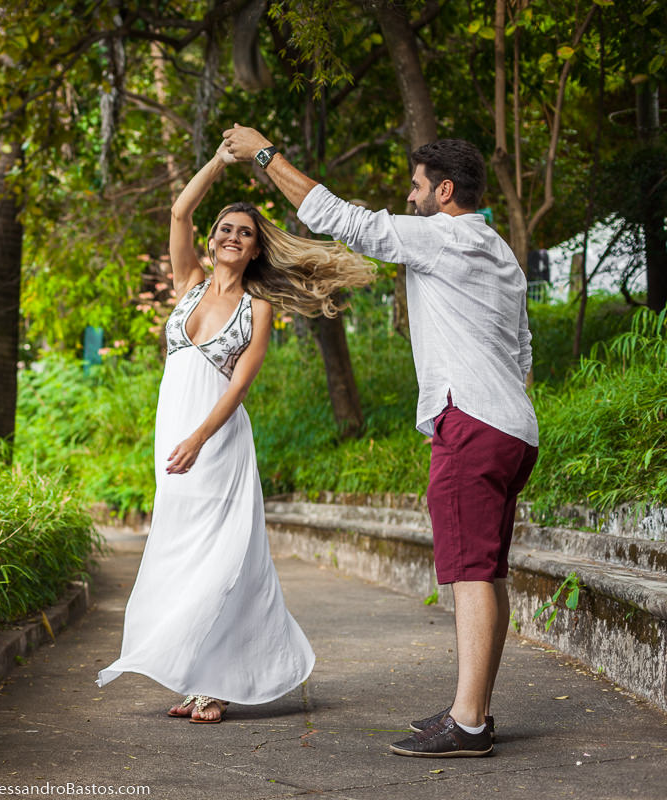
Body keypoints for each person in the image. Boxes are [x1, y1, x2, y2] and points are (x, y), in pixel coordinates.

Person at [222, 125, 538, 756]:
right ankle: (470, 708)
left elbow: (343, 219)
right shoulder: (498, 252)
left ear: (445, 191)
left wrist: (264, 155)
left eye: (417, 186)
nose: (410, 195)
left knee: (470, 573)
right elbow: (524, 351)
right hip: (513, 427)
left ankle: (469, 722)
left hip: (470, 421)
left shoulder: (444, 237)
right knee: (487, 572)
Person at [95, 142, 375, 723]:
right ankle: (198, 674)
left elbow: (238, 387)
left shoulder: (259, 307)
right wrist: (222, 163)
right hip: (170, 436)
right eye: (225, 227)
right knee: (181, 554)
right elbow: (179, 213)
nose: (231, 236)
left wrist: (199, 439)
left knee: (221, 558)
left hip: (215, 442)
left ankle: (218, 684)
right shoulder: (189, 283)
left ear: (255, 249)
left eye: (244, 233)